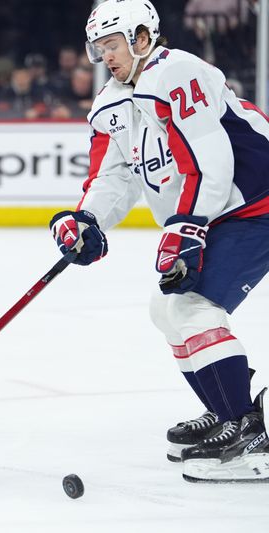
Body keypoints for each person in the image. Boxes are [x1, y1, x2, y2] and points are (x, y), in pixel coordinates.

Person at [50, 0, 269, 483]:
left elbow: (212, 161)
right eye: (99, 47)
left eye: (113, 44)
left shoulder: (178, 73)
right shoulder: (109, 103)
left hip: (256, 204)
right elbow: (112, 176)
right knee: (166, 308)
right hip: (217, 214)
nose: (106, 56)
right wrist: (87, 220)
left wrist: (186, 226)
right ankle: (226, 410)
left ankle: (250, 433)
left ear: (143, 38)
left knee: (192, 308)